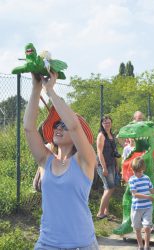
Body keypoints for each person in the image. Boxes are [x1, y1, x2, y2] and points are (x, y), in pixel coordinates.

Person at [24, 72, 98, 249]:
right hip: (46, 244)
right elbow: (28, 128)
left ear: (76, 137)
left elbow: (74, 125)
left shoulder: (85, 160)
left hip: (81, 245)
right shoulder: (45, 160)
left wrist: (50, 90)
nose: (58, 127)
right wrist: (36, 88)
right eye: (56, 124)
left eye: (63, 125)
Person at [129, 157, 154, 250]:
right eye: (136, 171)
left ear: (143, 169)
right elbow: (134, 194)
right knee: (137, 228)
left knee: (147, 227)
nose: (138, 173)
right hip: (136, 208)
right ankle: (140, 246)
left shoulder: (146, 178)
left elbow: (151, 190)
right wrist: (148, 197)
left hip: (147, 207)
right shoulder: (132, 179)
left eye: (140, 171)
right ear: (133, 170)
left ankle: (147, 245)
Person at [96, 115, 120, 219]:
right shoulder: (101, 135)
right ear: (102, 124)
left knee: (108, 188)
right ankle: (100, 213)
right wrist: (104, 168)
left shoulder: (112, 135)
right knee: (110, 188)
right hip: (103, 165)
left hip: (112, 164)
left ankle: (106, 212)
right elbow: (99, 153)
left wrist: (117, 165)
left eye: (109, 122)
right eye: (105, 122)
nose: (107, 124)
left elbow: (114, 152)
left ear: (111, 123)